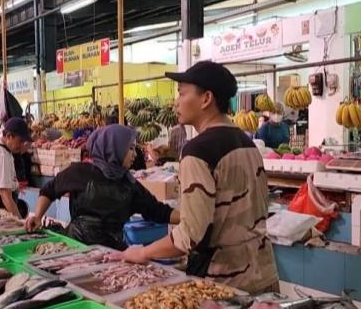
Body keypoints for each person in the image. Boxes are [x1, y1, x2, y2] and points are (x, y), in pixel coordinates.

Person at [115, 61, 279, 295]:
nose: (176, 101)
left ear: (206, 99)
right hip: (264, 274)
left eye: (182, 93)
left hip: (223, 284)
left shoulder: (198, 150)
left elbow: (190, 235)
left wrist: (141, 252)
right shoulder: (248, 143)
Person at [26, 125, 179, 250]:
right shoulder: (80, 172)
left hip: (111, 253)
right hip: (75, 249)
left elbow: (158, 211)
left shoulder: (130, 184)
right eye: (130, 149)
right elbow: (49, 190)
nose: (135, 155)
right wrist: (38, 217)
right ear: (114, 148)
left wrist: (191, 218)